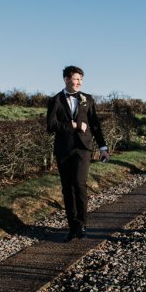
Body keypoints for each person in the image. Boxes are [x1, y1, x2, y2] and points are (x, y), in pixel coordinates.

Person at [47, 65, 110, 242]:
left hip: (83, 148)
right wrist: (72, 126)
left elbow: (95, 125)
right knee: (67, 188)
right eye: (76, 79)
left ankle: (82, 224)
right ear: (66, 79)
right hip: (64, 149)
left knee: (79, 184)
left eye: (81, 80)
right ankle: (72, 227)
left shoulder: (87, 99)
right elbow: (51, 125)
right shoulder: (55, 100)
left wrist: (103, 148)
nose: (79, 83)